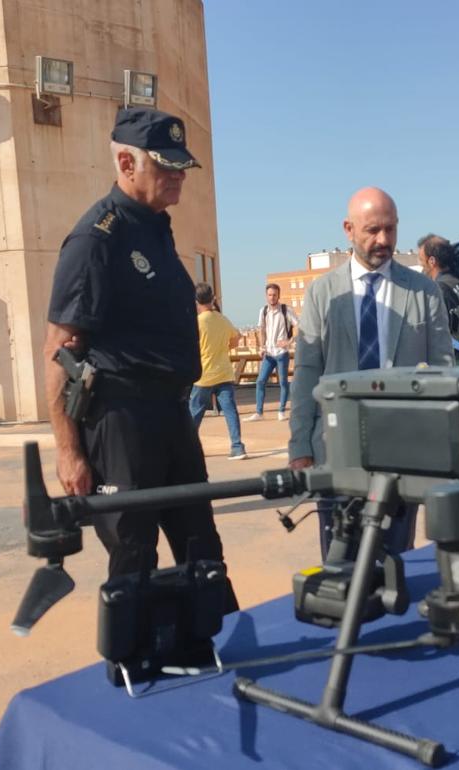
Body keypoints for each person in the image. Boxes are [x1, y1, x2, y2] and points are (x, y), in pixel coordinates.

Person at [43, 106, 237, 611]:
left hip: (171, 414)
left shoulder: (155, 227)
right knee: (134, 560)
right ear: (127, 164)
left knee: (202, 548)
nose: (178, 177)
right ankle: (135, 656)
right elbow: (58, 351)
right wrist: (68, 452)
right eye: (165, 167)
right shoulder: (96, 239)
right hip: (121, 420)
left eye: (181, 168)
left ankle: (216, 643)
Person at [289, 187, 453, 558]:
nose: (383, 240)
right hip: (336, 450)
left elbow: (442, 370)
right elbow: (307, 372)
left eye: (390, 229)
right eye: (372, 230)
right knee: (340, 562)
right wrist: (300, 445)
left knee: (396, 562)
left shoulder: (424, 292)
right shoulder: (322, 293)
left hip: (401, 455)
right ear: (348, 229)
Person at [189, 282, 247, 460]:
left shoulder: (198, 322)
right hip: (224, 373)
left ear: (196, 301)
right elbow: (236, 337)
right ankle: (237, 447)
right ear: (212, 298)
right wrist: (225, 348)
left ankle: (186, 450)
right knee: (230, 411)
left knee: (194, 414)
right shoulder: (222, 319)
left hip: (204, 375)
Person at [419, 233, 459, 365]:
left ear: (432, 261)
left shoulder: (437, 289)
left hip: (451, 363)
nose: (421, 265)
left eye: (421, 260)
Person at [248, 283, 299, 421]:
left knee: (283, 383)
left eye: (274, 295)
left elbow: (299, 326)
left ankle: (281, 411)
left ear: (278, 295)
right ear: (266, 296)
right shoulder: (263, 311)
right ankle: (259, 413)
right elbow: (261, 330)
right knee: (260, 381)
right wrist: (262, 347)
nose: (272, 297)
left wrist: (289, 342)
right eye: (270, 295)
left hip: (282, 353)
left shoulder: (286, 310)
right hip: (269, 354)